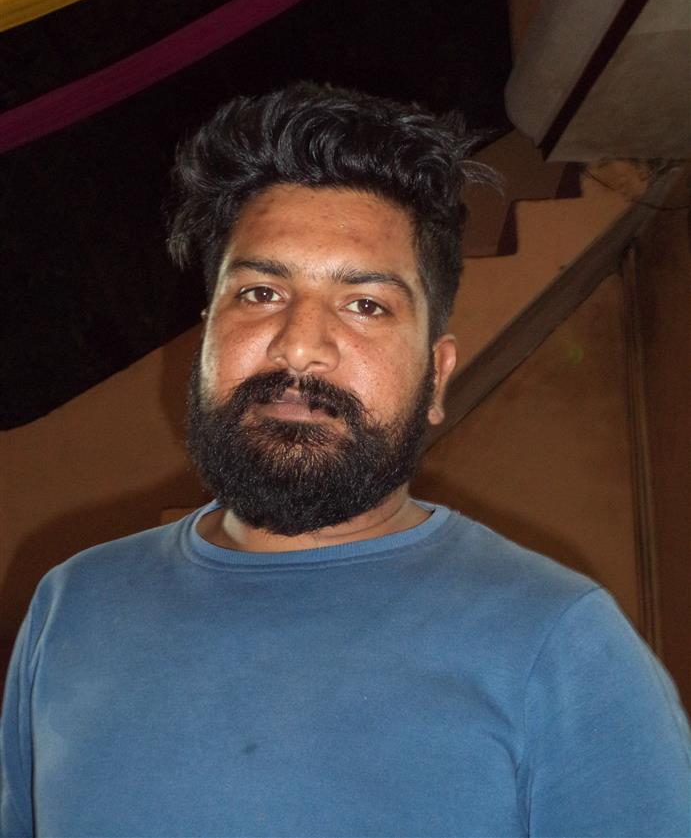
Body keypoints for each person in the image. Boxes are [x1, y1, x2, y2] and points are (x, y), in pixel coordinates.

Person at [1, 83, 689, 838]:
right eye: (260, 292)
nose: (299, 346)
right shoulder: (72, 605)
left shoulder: (560, 643)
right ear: (204, 338)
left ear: (436, 376)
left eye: (366, 304)